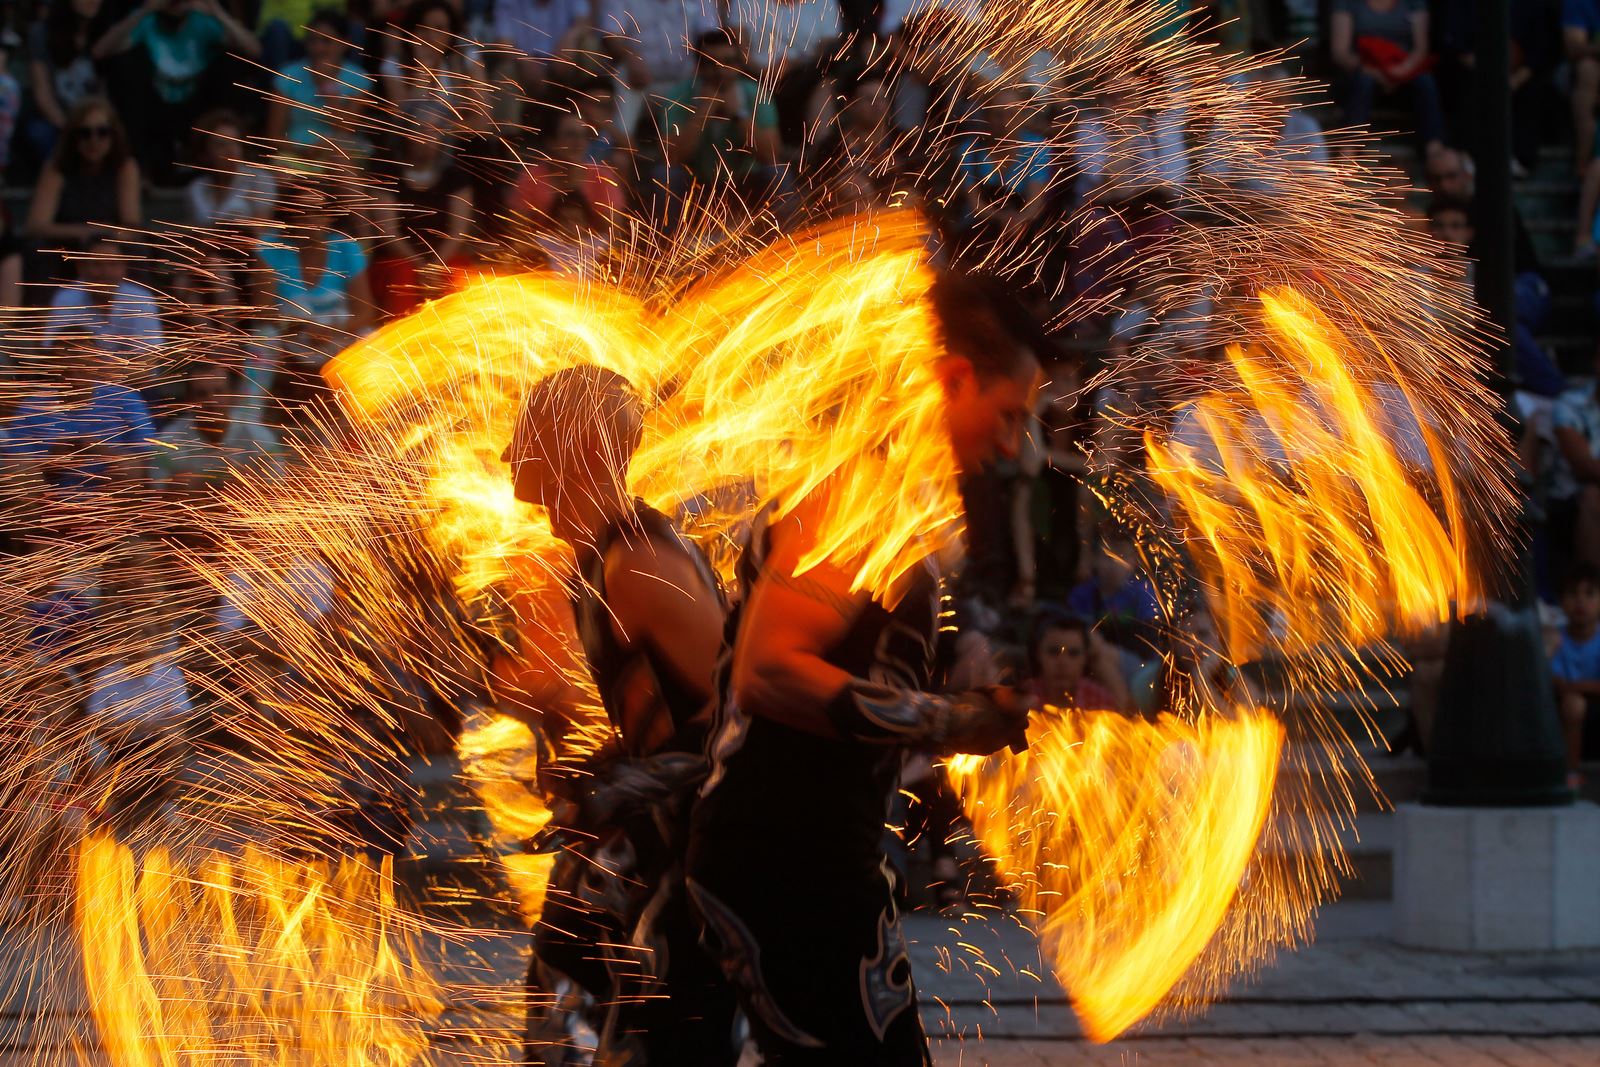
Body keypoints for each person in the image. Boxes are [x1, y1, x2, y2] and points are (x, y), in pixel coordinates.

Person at [686, 271, 1038, 1064]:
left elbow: (858, 670)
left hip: (813, 854)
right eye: (1009, 413)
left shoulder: (896, 503)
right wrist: (952, 720)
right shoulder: (858, 488)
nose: (1014, 443)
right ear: (953, 379)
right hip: (785, 858)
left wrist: (972, 684)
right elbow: (770, 672)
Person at [497, 366, 736, 1065]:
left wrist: (622, 785)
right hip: (650, 840)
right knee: (562, 976)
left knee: (666, 1035)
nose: (512, 455)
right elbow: (641, 708)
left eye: (528, 433)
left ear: (573, 451)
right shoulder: (594, 562)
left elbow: (739, 727)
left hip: (700, 855)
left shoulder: (638, 563)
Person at [91, 0, 260, 180]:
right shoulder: (148, 21)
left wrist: (217, 12)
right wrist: (143, 11)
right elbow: (99, 52)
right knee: (124, 65)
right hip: (154, 106)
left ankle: (213, 161)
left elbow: (254, 50)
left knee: (230, 64)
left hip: (198, 107)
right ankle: (139, 167)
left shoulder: (203, 21)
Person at [23, 97, 141, 283]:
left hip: (109, 246)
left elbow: (131, 225)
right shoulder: (56, 167)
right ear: (73, 137)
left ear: (113, 136)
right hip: (67, 246)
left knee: (137, 249)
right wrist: (84, 232)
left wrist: (100, 238)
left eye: (102, 132)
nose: (94, 140)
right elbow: (36, 225)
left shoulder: (125, 167)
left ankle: (138, 308)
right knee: (38, 248)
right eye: (85, 133)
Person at [1328, 0, 1444, 158]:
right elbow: (1340, 53)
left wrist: (1402, 70)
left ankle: (1434, 151)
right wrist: (1377, 72)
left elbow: (1421, 49)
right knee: (1363, 82)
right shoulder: (1347, 3)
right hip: (1362, 71)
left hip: (1404, 70)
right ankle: (1348, 153)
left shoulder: (1414, 3)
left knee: (1425, 82)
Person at [265, 10, 375, 151]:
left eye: (326, 41)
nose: (318, 48)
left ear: (345, 43)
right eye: (312, 41)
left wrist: (327, 86)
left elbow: (347, 130)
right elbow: (273, 136)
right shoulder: (287, 76)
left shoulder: (359, 80)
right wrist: (304, 149)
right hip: (294, 153)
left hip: (338, 153)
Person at [1553, 562, 1600, 788]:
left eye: (1589, 593)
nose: (1581, 601)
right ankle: (1570, 774)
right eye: (1573, 593)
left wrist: (1577, 686)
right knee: (1574, 704)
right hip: (1570, 706)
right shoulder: (1556, 640)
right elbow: (1557, 683)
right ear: (1561, 602)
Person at [1030, 610, 1131, 713]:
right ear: (1038, 653)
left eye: (1073, 653)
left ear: (1086, 658)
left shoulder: (1098, 699)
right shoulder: (1023, 699)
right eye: (1053, 652)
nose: (1063, 663)